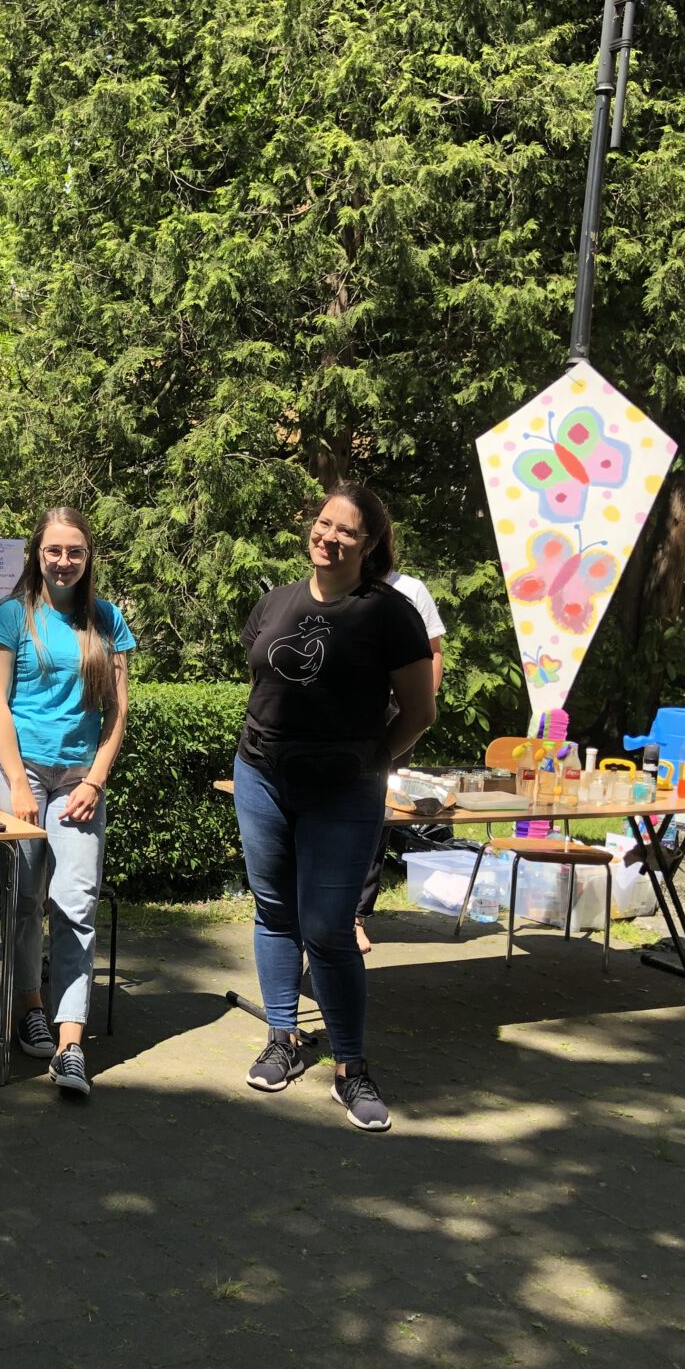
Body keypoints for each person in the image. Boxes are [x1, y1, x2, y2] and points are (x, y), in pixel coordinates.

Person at [232, 484, 436, 1131]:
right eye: (324, 524)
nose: (330, 537)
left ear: (369, 543)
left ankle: (351, 1068)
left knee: (327, 928)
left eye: (347, 531)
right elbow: (262, 681)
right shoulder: (276, 602)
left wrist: (371, 762)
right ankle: (283, 1037)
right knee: (274, 911)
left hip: (344, 790)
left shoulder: (390, 614)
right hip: (262, 777)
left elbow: (420, 711)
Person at [0, 507, 134, 1099]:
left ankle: (71, 1045)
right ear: (37, 555)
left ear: (88, 557)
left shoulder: (107, 620)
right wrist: (18, 784)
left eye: (75, 551)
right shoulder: (11, 617)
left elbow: (116, 712)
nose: (63, 561)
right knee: (24, 898)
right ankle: (30, 1006)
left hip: (78, 780)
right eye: (53, 550)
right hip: (17, 772)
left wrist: (95, 781)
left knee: (75, 901)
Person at [354, 556, 446, 951]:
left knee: (376, 811)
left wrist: (422, 702)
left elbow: (433, 651)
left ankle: (356, 916)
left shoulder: (410, 588)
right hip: (344, 708)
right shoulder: (337, 582)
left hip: (394, 709)